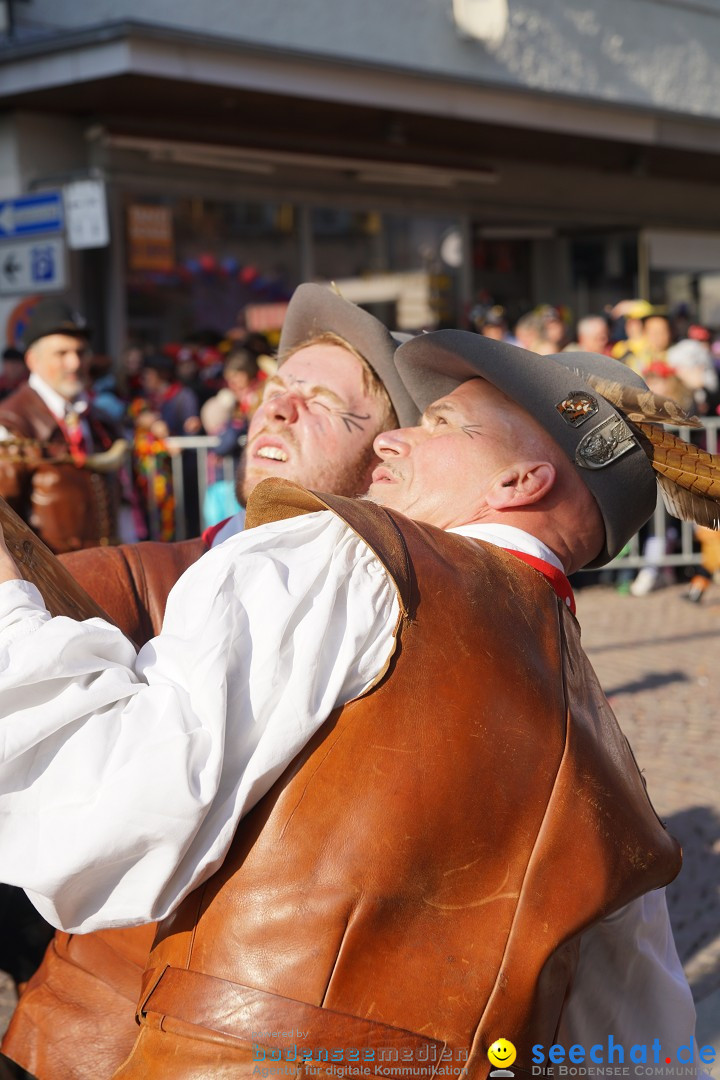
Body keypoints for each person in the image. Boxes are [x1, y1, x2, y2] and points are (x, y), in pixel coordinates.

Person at [0, 332, 708, 1076]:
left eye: (439, 425)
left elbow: (116, 796)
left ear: (521, 482)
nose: (392, 440)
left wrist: (9, 604)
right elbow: (643, 1056)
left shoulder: (360, 557)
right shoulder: (612, 766)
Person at [0, 283, 419, 1080]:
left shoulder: (315, 559)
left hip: (194, 1014)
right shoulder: (235, 549)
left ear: (386, 459)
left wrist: (10, 603)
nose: (281, 410)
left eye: (329, 404)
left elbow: (124, 803)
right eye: (278, 391)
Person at [0, 299, 124, 554]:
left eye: (81, 352)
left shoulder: (97, 418)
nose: (75, 363)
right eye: (62, 353)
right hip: (49, 583)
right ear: (33, 360)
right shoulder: (12, 423)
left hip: (105, 572)